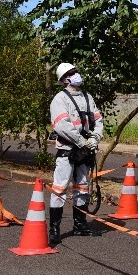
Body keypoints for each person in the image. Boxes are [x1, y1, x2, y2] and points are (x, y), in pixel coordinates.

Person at [48, 61, 103, 245]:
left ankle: (80, 226)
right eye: (71, 73)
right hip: (67, 151)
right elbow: (61, 126)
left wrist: (95, 139)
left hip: (85, 151)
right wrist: (82, 141)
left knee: (82, 187)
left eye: (76, 71)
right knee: (59, 188)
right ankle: (54, 229)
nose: (76, 74)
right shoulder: (59, 99)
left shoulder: (88, 97)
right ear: (64, 80)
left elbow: (98, 120)